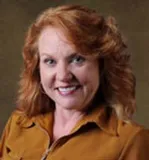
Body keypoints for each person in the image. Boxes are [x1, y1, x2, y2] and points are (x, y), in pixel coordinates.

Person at [0, 4, 149, 160]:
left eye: (77, 59)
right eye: (50, 61)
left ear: (102, 64)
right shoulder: (18, 123)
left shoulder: (132, 140)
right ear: (37, 68)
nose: (63, 76)